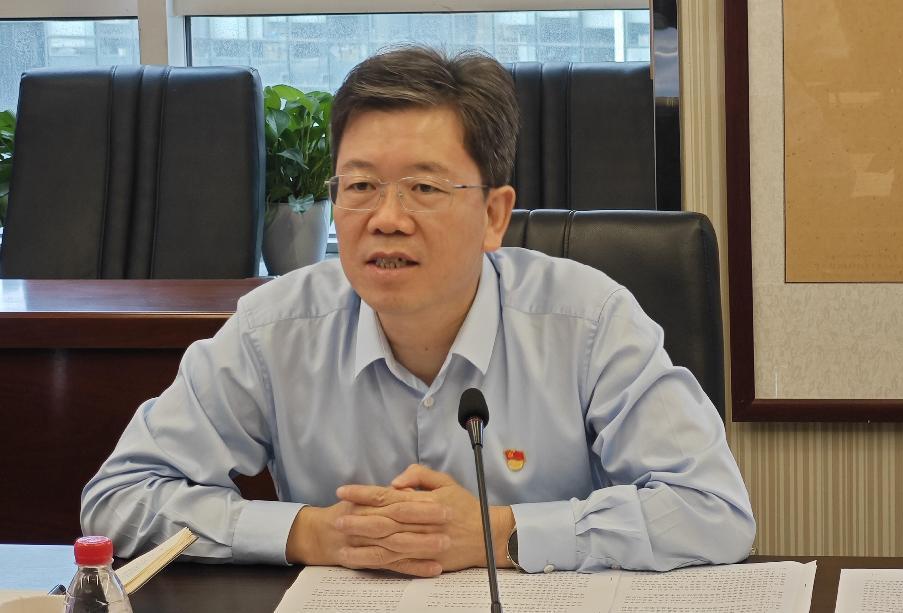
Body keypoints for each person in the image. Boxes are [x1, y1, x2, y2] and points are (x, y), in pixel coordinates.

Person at [81, 45, 755, 576]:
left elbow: (713, 510)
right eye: (360, 186)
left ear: (494, 215)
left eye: (424, 188)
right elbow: (116, 499)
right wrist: (306, 532)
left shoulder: (589, 321)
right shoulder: (273, 330)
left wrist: (503, 533)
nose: (387, 218)